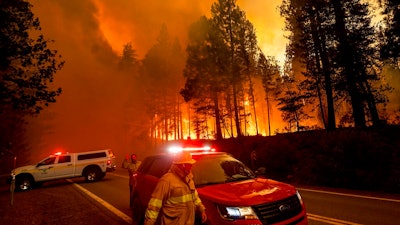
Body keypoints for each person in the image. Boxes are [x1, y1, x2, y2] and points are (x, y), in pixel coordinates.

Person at [144, 151, 207, 225]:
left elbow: (194, 196)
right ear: (181, 165)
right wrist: (149, 222)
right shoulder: (167, 181)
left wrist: (201, 209)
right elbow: (154, 205)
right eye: (188, 165)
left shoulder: (189, 178)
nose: (191, 167)